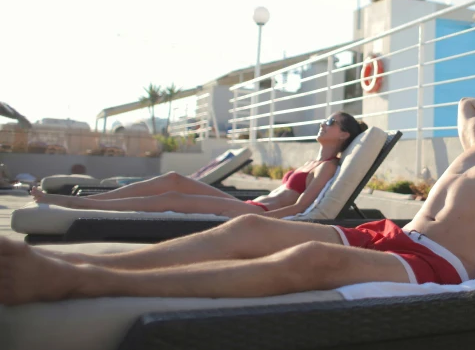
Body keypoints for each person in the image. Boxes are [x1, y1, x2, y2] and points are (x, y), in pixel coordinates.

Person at [0, 67, 475, 306]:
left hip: (443, 265)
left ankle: (84, 280)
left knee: (310, 257)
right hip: (396, 236)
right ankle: (69, 256)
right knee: (252, 225)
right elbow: (471, 110)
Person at [30, 112, 368, 219]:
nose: (324, 124)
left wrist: (258, 222)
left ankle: (77, 205)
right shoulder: (312, 160)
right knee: (174, 178)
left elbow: (301, 208)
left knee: (172, 201)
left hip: (254, 214)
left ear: (344, 134)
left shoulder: (326, 168)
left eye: (331, 122)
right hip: (246, 206)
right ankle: (87, 202)